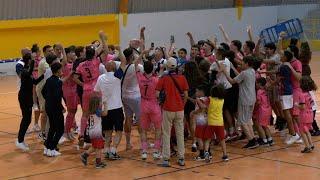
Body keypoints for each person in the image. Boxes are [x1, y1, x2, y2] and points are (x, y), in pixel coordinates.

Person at [75, 31, 108, 147]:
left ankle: (81, 134)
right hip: (96, 89)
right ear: (94, 54)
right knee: (97, 113)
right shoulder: (96, 61)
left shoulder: (81, 65)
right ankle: (97, 136)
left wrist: (82, 84)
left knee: (85, 114)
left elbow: (74, 77)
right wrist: (103, 39)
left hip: (86, 89)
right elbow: (106, 51)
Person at [94, 46, 126, 160]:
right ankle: (113, 150)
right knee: (118, 131)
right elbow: (124, 61)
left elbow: (96, 92)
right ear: (114, 68)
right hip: (117, 108)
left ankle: (107, 150)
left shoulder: (100, 78)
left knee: (107, 132)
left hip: (105, 108)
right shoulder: (117, 76)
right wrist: (119, 50)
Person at [156, 57, 189, 167]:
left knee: (166, 134)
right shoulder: (182, 78)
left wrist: (161, 103)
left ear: (167, 67)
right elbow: (186, 95)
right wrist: (182, 105)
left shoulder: (164, 78)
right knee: (180, 134)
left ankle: (166, 159)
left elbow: (157, 94)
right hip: (180, 109)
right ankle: (181, 158)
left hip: (167, 109)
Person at [222, 56, 258, 149]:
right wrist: (233, 67)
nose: (241, 63)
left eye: (243, 62)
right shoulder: (252, 71)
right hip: (252, 98)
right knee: (247, 120)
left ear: (247, 63)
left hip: (245, 99)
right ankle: (253, 138)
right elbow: (240, 76)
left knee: (242, 120)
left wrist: (225, 72)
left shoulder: (244, 73)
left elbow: (232, 81)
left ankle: (251, 140)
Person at [15, 53, 44, 151]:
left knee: (27, 119)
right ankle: (20, 141)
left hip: (28, 98)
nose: (34, 60)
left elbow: (34, 82)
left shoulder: (28, 71)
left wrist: (44, 75)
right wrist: (32, 64)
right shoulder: (24, 71)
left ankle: (20, 140)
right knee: (26, 119)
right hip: (24, 98)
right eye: (32, 59)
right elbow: (27, 73)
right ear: (29, 61)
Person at [136, 59, 162, 160]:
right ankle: (156, 151)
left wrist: (141, 55)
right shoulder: (156, 80)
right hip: (154, 104)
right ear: (153, 69)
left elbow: (135, 65)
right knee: (158, 129)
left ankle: (144, 151)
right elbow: (158, 94)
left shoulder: (140, 78)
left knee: (143, 130)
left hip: (143, 104)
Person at [121, 47, 144, 150]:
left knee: (128, 119)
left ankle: (128, 143)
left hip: (125, 96)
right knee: (140, 119)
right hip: (136, 96)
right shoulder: (138, 66)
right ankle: (143, 144)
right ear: (132, 56)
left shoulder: (121, 66)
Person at [42, 62, 65, 157]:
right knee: (60, 129)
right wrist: (61, 107)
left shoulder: (49, 80)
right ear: (58, 70)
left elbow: (43, 91)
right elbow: (57, 97)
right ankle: (52, 147)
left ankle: (47, 147)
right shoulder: (58, 82)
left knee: (52, 127)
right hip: (55, 108)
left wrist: (48, 100)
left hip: (48, 106)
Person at [80, 96, 108, 168]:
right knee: (98, 148)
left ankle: (84, 155)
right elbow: (105, 113)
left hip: (91, 131)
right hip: (96, 132)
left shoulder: (91, 111)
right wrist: (106, 105)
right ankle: (98, 163)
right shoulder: (97, 111)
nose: (101, 103)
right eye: (100, 102)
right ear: (97, 104)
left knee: (94, 146)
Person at [183, 61, 205, 152]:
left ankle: (193, 141)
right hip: (197, 101)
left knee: (189, 120)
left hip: (187, 101)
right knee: (195, 121)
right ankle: (196, 141)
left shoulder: (184, 77)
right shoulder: (200, 78)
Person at [204, 84, 228, 162]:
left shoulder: (209, 99)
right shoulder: (222, 100)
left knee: (207, 139)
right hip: (220, 122)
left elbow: (205, 106)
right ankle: (225, 155)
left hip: (211, 122)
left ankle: (206, 153)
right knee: (222, 139)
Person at [36, 45, 54, 141]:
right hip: (43, 90)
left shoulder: (51, 60)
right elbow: (54, 69)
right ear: (44, 52)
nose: (51, 52)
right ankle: (42, 132)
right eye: (49, 51)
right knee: (45, 111)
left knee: (49, 111)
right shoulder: (44, 63)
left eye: (52, 50)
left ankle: (48, 130)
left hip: (49, 90)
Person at [62, 47, 78, 140]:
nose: (73, 54)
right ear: (67, 54)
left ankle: (69, 129)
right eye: (71, 52)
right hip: (69, 90)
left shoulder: (74, 63)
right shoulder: (64, 63)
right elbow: (64, 59)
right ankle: (66, 131)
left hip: (74, 89)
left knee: (73, 111)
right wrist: (62, 49)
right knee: (71, 111)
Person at [296, 76, 315, 153]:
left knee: (302, 131)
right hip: (310, 114)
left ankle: (307, 147)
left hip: (304, 115)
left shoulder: (301, 94)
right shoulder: (309, 94)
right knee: (307, 130)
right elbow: (312, 103)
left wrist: (297, 105)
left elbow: (302, 106)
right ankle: (311, 144)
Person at [191, 85, 209, 161]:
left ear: (201, 92)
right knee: (205, 138)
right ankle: (207, 153)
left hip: (200, 120)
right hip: (206, 119)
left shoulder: (200, 99)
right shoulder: (208, 99)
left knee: (199, 138)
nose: (196, 93)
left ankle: (201, 154)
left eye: (197, 91)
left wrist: (194, 112)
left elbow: (202, 108)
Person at [255, 77, 273, 146]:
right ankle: (270, 139)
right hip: (268, 109)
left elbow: (259, 102)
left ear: (259, 84)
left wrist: (255, 107)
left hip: (262, 110)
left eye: (256, 83)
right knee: (265, 126)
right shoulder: (266, 90)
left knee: (260, 125)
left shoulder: (259, 91)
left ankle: (264, 140)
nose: (255, 84)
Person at [30, 44, 42, 132]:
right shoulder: (33, 58)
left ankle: (37, 124)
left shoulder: (40, 58)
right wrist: (39, 68)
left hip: (40, 78)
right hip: (35, 77)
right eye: (39, 51)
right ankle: (34, 103)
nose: (40, 52)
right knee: (34, 88)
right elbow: (32, 68)